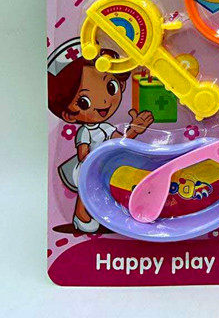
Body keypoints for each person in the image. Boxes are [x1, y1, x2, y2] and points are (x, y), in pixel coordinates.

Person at [48, 39, 154, 233]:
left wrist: (134, 130)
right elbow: (83, 155)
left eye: (111, 87)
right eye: (84, 102)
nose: (104, 102)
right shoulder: (85, 131)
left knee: (108, 181)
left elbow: (120, 142)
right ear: (68, 114)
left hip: (105, 161)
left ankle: (104, 213)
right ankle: (81, 216)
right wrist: (99, 158)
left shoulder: (105, 127)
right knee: (87, 183)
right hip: (88, 164)